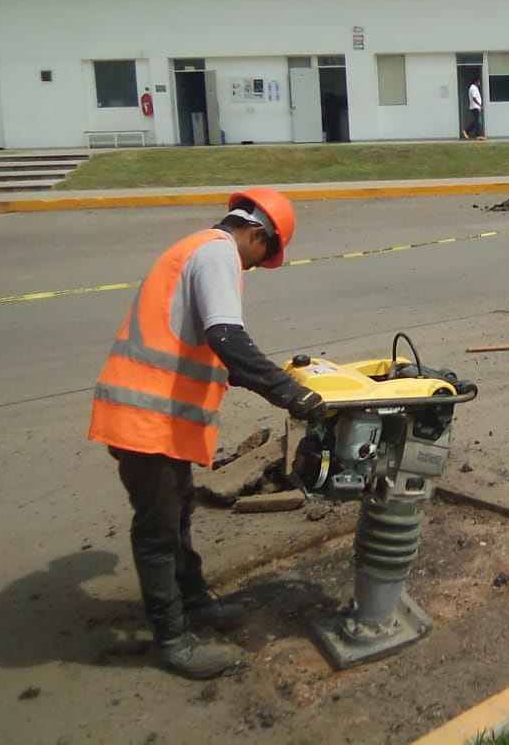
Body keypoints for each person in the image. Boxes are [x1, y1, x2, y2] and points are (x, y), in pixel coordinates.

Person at [89, 187, 327, 680]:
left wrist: (275, 380)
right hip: (144, 417)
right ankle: (173, 639)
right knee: (158, 532)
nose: (258, 267)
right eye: (264, 258)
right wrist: (290, 395)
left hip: (155, 418)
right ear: (257, 236)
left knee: (176, 518)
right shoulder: (220, 254)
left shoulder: (197, 247)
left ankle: (195, 605)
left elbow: (211, 348)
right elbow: (225, 337)